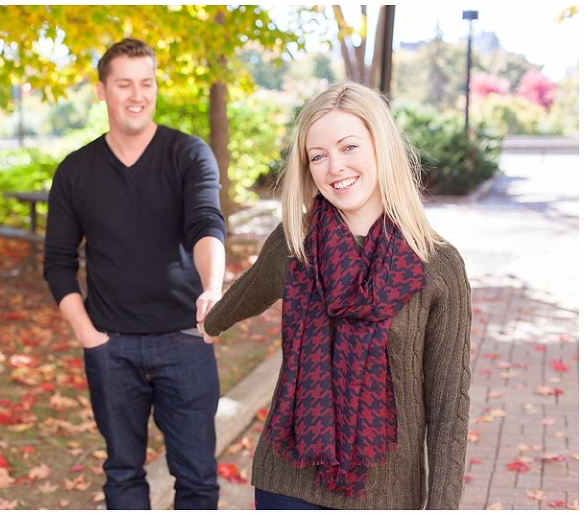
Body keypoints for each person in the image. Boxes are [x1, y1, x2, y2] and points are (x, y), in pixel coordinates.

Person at [201, 82, 472, 510]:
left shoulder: (437, 266)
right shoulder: (296, 243)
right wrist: (210, 320)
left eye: (349, 147)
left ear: (381, 146)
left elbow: (447, 409)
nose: (334, 167)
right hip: (287, 483)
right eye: (318, 155)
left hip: (385, 496)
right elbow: (248, 293)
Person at [43, 38, 227, 510]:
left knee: (198, 481)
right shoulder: (75, 171)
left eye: (146, 83)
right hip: (112, 348)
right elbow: (58, 264)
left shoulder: (188, 154)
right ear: (102, 90)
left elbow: (206, 223)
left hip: (185, 341)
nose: (136, 94)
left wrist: (212, 290)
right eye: (124, 83)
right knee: (123, 476)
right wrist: (89, 337)